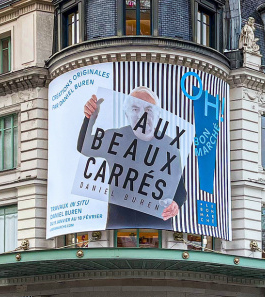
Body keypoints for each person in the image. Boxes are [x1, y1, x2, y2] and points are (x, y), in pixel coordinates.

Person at [78, 87, 187, 228]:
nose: (142, 115)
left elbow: (180, 191)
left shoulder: (171, 147)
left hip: (157, 229)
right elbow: (84, 147)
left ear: (158, 114)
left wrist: (176, 204)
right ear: (126, 114)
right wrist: (90, 118)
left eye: (148, 109)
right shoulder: (115, 138)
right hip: (119, 228)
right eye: (135, 109)